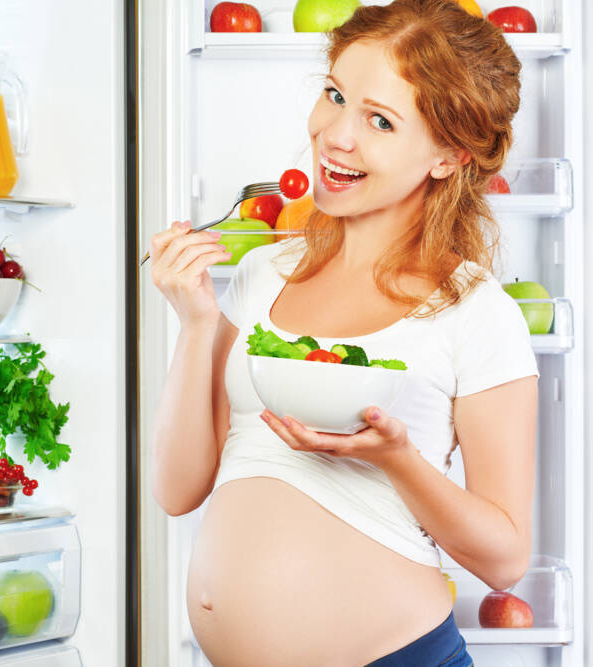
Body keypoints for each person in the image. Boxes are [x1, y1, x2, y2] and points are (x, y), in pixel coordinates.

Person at [149, 1, 538, 664]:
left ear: (447, 156)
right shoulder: (265, 272)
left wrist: (395, 457)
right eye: (335, 94)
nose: (335, 135)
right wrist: (195, 324)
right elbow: (178, 488)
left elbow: (505, 558)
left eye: (379, 120)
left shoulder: (475, 309)